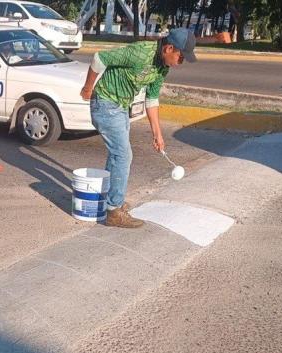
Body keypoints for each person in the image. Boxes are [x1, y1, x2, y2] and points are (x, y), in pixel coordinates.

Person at [79, 28, 196, 228]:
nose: (181, 62)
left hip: (121, 106)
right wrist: (88, 88)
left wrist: (158, 135)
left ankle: (111, 200)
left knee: (118, 155)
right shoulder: (141, 52)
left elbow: (151, 99)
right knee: (123, 155)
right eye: (181, 57)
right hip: (105, 102)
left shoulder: (162, 68)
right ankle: (114, 211)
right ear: (169, 48)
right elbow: (99, 58)